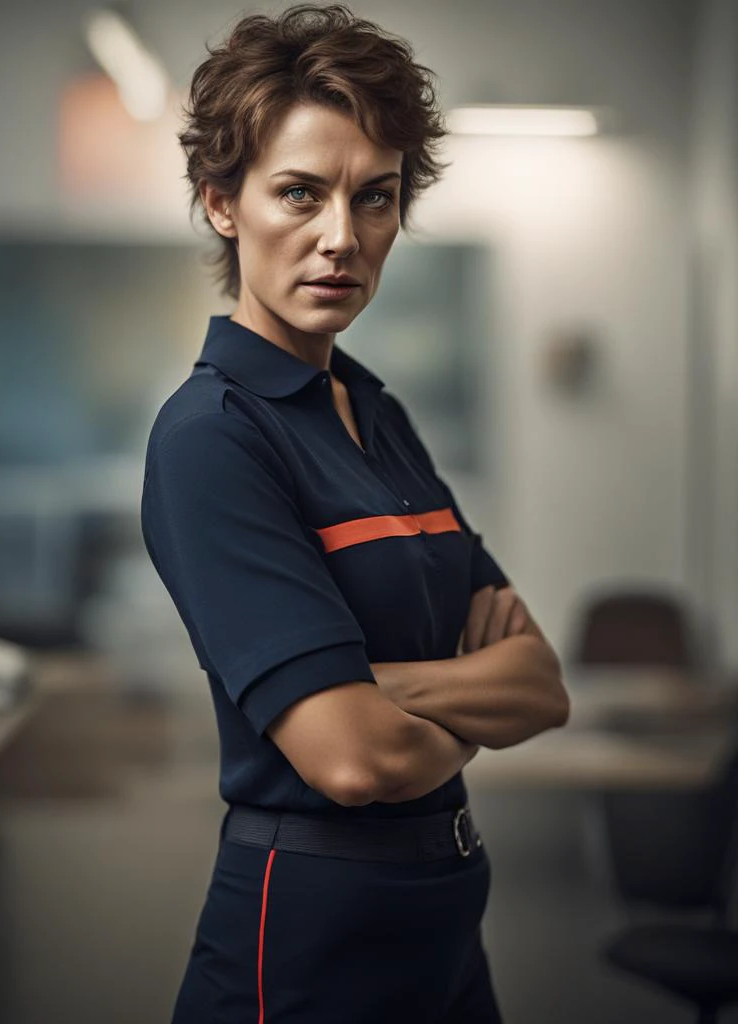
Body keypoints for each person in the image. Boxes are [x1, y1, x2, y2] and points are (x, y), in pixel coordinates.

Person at [140, 5, 570, 1022]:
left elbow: (541, 683)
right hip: (307, 932)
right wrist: (463, 699)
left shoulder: (375, 414)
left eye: (372, 199)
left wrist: (388, 687)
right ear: (221, 202)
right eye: (299, 192)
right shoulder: (211, 436)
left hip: (445, 918)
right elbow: (352, 756)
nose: (342, 237)